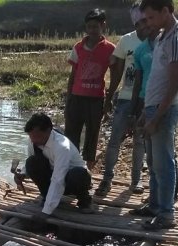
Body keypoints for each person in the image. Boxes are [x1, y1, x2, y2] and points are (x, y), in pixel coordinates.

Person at [133, 0, 178, 230]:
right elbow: (156, 77)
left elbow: (174, 84)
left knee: (163, 163)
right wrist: (145, 112)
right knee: (153, 162)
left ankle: (167, 214)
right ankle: (155, 205)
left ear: (166, 11)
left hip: (164, 109)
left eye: (151, 17)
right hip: (153, 107)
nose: (148, 23)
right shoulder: (163, 36)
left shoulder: (177, 38)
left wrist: (156, 118)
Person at [95, 6, 146, 197]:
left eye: (145, 21)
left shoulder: (156, 40)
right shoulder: (126, 40)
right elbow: (117, 73)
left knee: (139, 141)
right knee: (114, 140)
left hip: (146, 99)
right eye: (138, 23)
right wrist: (109, 98)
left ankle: (136, 180)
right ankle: (107, 178)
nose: (142, 26)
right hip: (125, 98)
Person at [64, 8, 116, 171]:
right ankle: (71, 167)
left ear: (103, 26)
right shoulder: (78, 47)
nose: (92, 30)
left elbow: (115, 75)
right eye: (89, 27)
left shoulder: (110, 49)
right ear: (85, 27)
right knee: (71, 133)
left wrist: (109, 100)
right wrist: (69, 98)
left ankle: (88, 170)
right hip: (76, 97)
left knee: (92, 134)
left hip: (96, 99)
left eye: (96, 26)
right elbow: (73, 75)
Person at [14, 113, 94, 219]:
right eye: (31, 136)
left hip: (73, 180)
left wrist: (46, 212)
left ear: (48, 131)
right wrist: (23, 174)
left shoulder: (62, 146)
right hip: (53, 175)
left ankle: (84, 200)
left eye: (36, 136)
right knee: (31, 162)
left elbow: (58, 178)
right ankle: (47, 195)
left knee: (77, 175)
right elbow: (31, 160)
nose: (33, 140)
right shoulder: (34, 139)